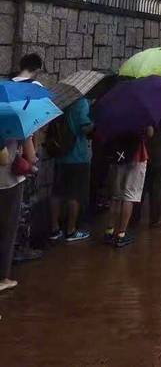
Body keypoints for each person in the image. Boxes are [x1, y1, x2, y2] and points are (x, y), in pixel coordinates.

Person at [11, 53, 44, 264]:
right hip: (25, 153)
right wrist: (32, 156)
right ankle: (21, 248)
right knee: (24, 206)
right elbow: (35, 125)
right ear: (37, 68)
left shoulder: (7, 85)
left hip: (7, 151)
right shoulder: (36, 89)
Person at [49, 96, 94, 243]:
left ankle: (54, 228)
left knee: (57, 192)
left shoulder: (62, 101)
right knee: (75, 194)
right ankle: (71, 230)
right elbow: (85, 127)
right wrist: (95, 121)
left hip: (60, 154)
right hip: (77, 155)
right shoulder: (81, 103)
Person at [103, 127, 153, 247]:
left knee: (116, 196)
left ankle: (109, 231)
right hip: (136, 155)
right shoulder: (141, 112)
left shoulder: (115, 113)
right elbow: (150, 133)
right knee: (129, 196)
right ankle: (121, 234)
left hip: (119, 155)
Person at [0, 135, 36, 291]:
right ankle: (2, 277)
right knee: (7, 231)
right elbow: (32, 156)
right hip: (9, 182)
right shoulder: (18, 122)